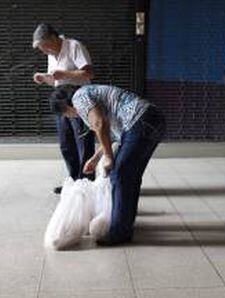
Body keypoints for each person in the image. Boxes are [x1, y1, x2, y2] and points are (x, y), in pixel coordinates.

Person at [49, 84, 166, 245]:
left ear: (64, 104)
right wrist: (96, 158)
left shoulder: (79, 98)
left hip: (140, 121)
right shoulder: (90, 94)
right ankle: (124, 226)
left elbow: (99, 124)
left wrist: (109, 157)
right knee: (130, 176)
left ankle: (119, 232)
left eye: (65, 113)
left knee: (120, 175)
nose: (69, 117)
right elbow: (111, 134)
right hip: (152, 120)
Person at [32, 23, 95, 194]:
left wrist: (65, 74)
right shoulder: (51, 54)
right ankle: (74, 180)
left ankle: (87, 183)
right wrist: (44, 78)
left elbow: (89, 73)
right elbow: (57, 80)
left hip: (79, 96)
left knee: (83, 141)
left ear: (53, 38)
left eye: (44, 46)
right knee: (66, 143)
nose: (43, 51)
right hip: (61, 98)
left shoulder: (74, 46)